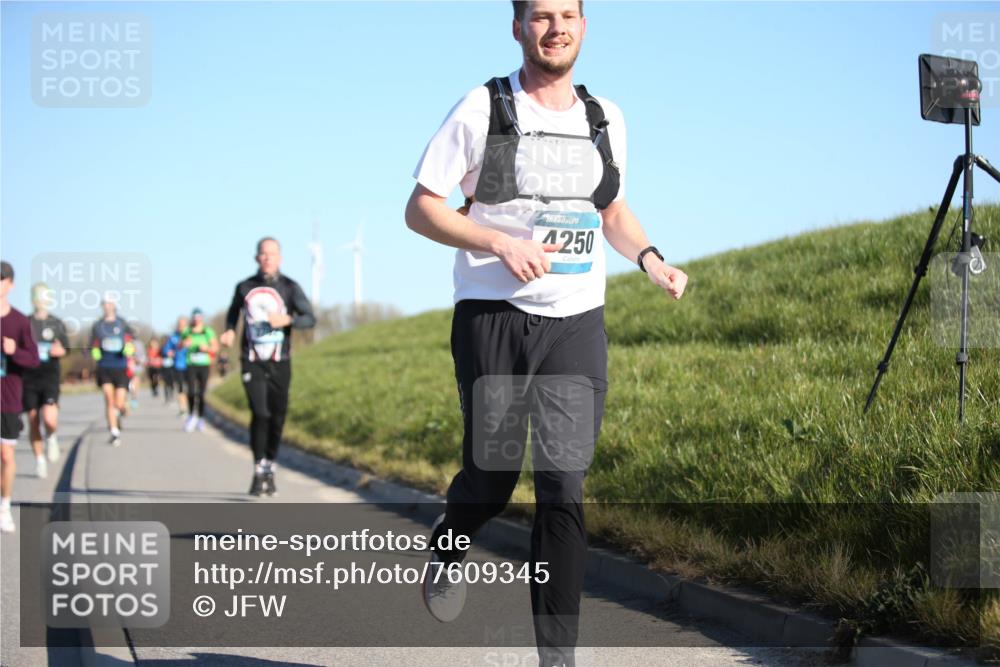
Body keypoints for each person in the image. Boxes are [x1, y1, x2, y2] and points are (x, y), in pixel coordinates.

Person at [404, 2, 688, 664]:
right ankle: (450, 540)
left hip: (575, 320)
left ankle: (556, 657)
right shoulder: (485, 107)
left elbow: (611, 210)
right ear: (518, 28)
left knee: (562, 487)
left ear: (583, 27)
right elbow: (421, 208)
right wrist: (497, 242)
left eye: (567, 15)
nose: (555, 28)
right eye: (540, 16)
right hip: (493, 314)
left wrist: (650, 258)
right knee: (492, 479)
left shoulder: (604, 118)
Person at [220, 237, 315, 497]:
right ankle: (259, 468)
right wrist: (229, 330)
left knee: (277, 416)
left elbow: (310, 318)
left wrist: (288, 320)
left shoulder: (290, 287)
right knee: (260, 413)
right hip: (252, 360)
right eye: (263, 254)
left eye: (272, 254)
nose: (267, 258)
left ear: (280, 258)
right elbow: (233, 312)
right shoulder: (244, 287)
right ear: (256, 258)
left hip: (280, 361)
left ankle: (270, 464)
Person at [0, 262, 40, 533]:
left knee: (6, 454)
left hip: (8, 397)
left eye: (1, 279)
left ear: (11, 284)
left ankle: (4, 506)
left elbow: (34, 359)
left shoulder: (19, 321)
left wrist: (15, 351)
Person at [22, 283, 70, 478]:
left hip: (49, 375)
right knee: (33, 420)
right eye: (37, 297)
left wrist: (60, 350)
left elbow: (66, 348)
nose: (40, 301)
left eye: (44, 297)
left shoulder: (56, 323)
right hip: (28, 377)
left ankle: (51, 436)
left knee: (49, 418)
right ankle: (40, 460)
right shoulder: (25, 323)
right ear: (33, 299)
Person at [90, 298, 135, 446]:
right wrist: (94, 352)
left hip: (120, 366)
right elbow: (92, 343)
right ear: (102, 306)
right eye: (105, 304)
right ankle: (114, 432)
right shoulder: (98, 325)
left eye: (110, 303)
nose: (107, 306)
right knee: (109, 400)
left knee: (119, 402)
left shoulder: (122, 323)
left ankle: (120, 410)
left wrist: (129, 348)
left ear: (114, 305)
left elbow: (131, 339)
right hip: (104, 366)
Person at [181, 308, 218, 433]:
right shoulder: (187, 331)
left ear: (202, 318)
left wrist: (206, 348)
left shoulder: (207, 331)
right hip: (191, 364)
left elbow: (215, 347)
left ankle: (201, 418)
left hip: (204, 365)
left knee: (202, 393)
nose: (196, 319)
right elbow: (179, 346)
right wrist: (184, 344)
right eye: (194, 317)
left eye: (198, 317)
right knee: (191, 391)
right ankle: (192, 416)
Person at [160, 317, 189, 415]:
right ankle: (183, 408)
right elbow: (165, 350)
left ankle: (189, 405)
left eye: (183, 326)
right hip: (178, 366)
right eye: (180, 325)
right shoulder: (173, 337)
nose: (181, 328)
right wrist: (169, 352)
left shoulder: (190, 336)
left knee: (190, 388)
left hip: (190, 365)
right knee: (180, 387)